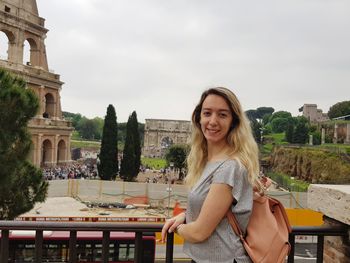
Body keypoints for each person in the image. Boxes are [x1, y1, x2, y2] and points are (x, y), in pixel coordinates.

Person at [161, 87, 260, 263]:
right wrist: (186, 215)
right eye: (207, 113)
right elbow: (214, 210)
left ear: (233, 122)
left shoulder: (229, 167)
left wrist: (176, 228)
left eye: (222, 115)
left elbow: (199, 232)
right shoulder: (207, 161)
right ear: (199, 118)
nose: (213, 121)